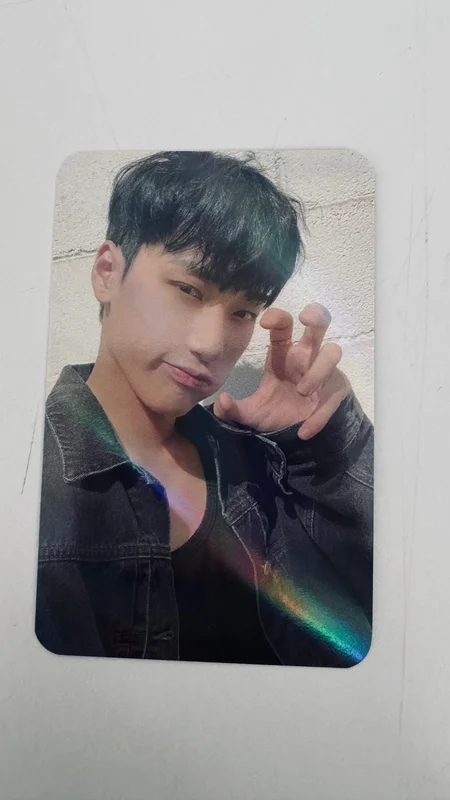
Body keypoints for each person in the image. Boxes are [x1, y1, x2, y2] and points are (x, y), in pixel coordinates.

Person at [35, 150, 373, 667]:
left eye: (243, 312)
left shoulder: (253, 460)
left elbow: (396, 591)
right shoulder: (31, 489)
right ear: (107, 272)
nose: (212, 344)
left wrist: (326, 440)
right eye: (188, 290)